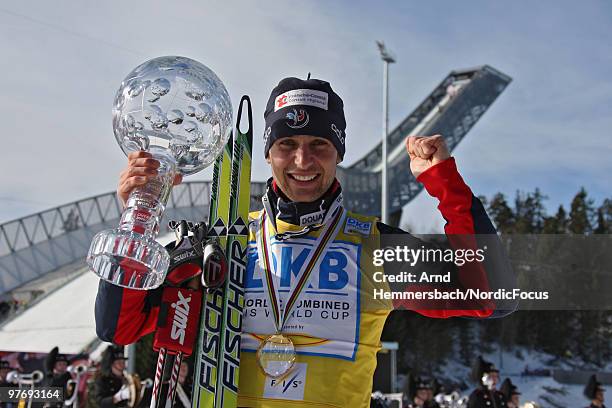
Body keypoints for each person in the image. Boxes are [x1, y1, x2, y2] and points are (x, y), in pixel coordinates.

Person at [96, 76, 514, 407]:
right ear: (268, 153)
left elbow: (491, 296)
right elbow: (119, 326)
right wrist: (137, 219)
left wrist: (445, 184)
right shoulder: (223, 246)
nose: (302, 161)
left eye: (319, 145)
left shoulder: (374, 248)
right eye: (287, 145)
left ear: (339, 152)